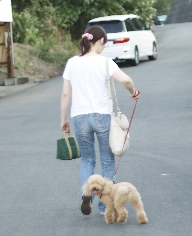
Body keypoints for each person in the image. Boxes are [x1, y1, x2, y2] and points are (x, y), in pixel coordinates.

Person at [60, 26, 140, 214]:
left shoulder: (72, 63)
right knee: (107, 160)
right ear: (101, 41)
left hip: (79, 117)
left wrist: (63, 119)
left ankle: (86, 194)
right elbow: (126, 80)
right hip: (102, 116)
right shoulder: (105, 62)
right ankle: (105, 204)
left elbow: (65, 94)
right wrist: (133, 92)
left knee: (87, 160)